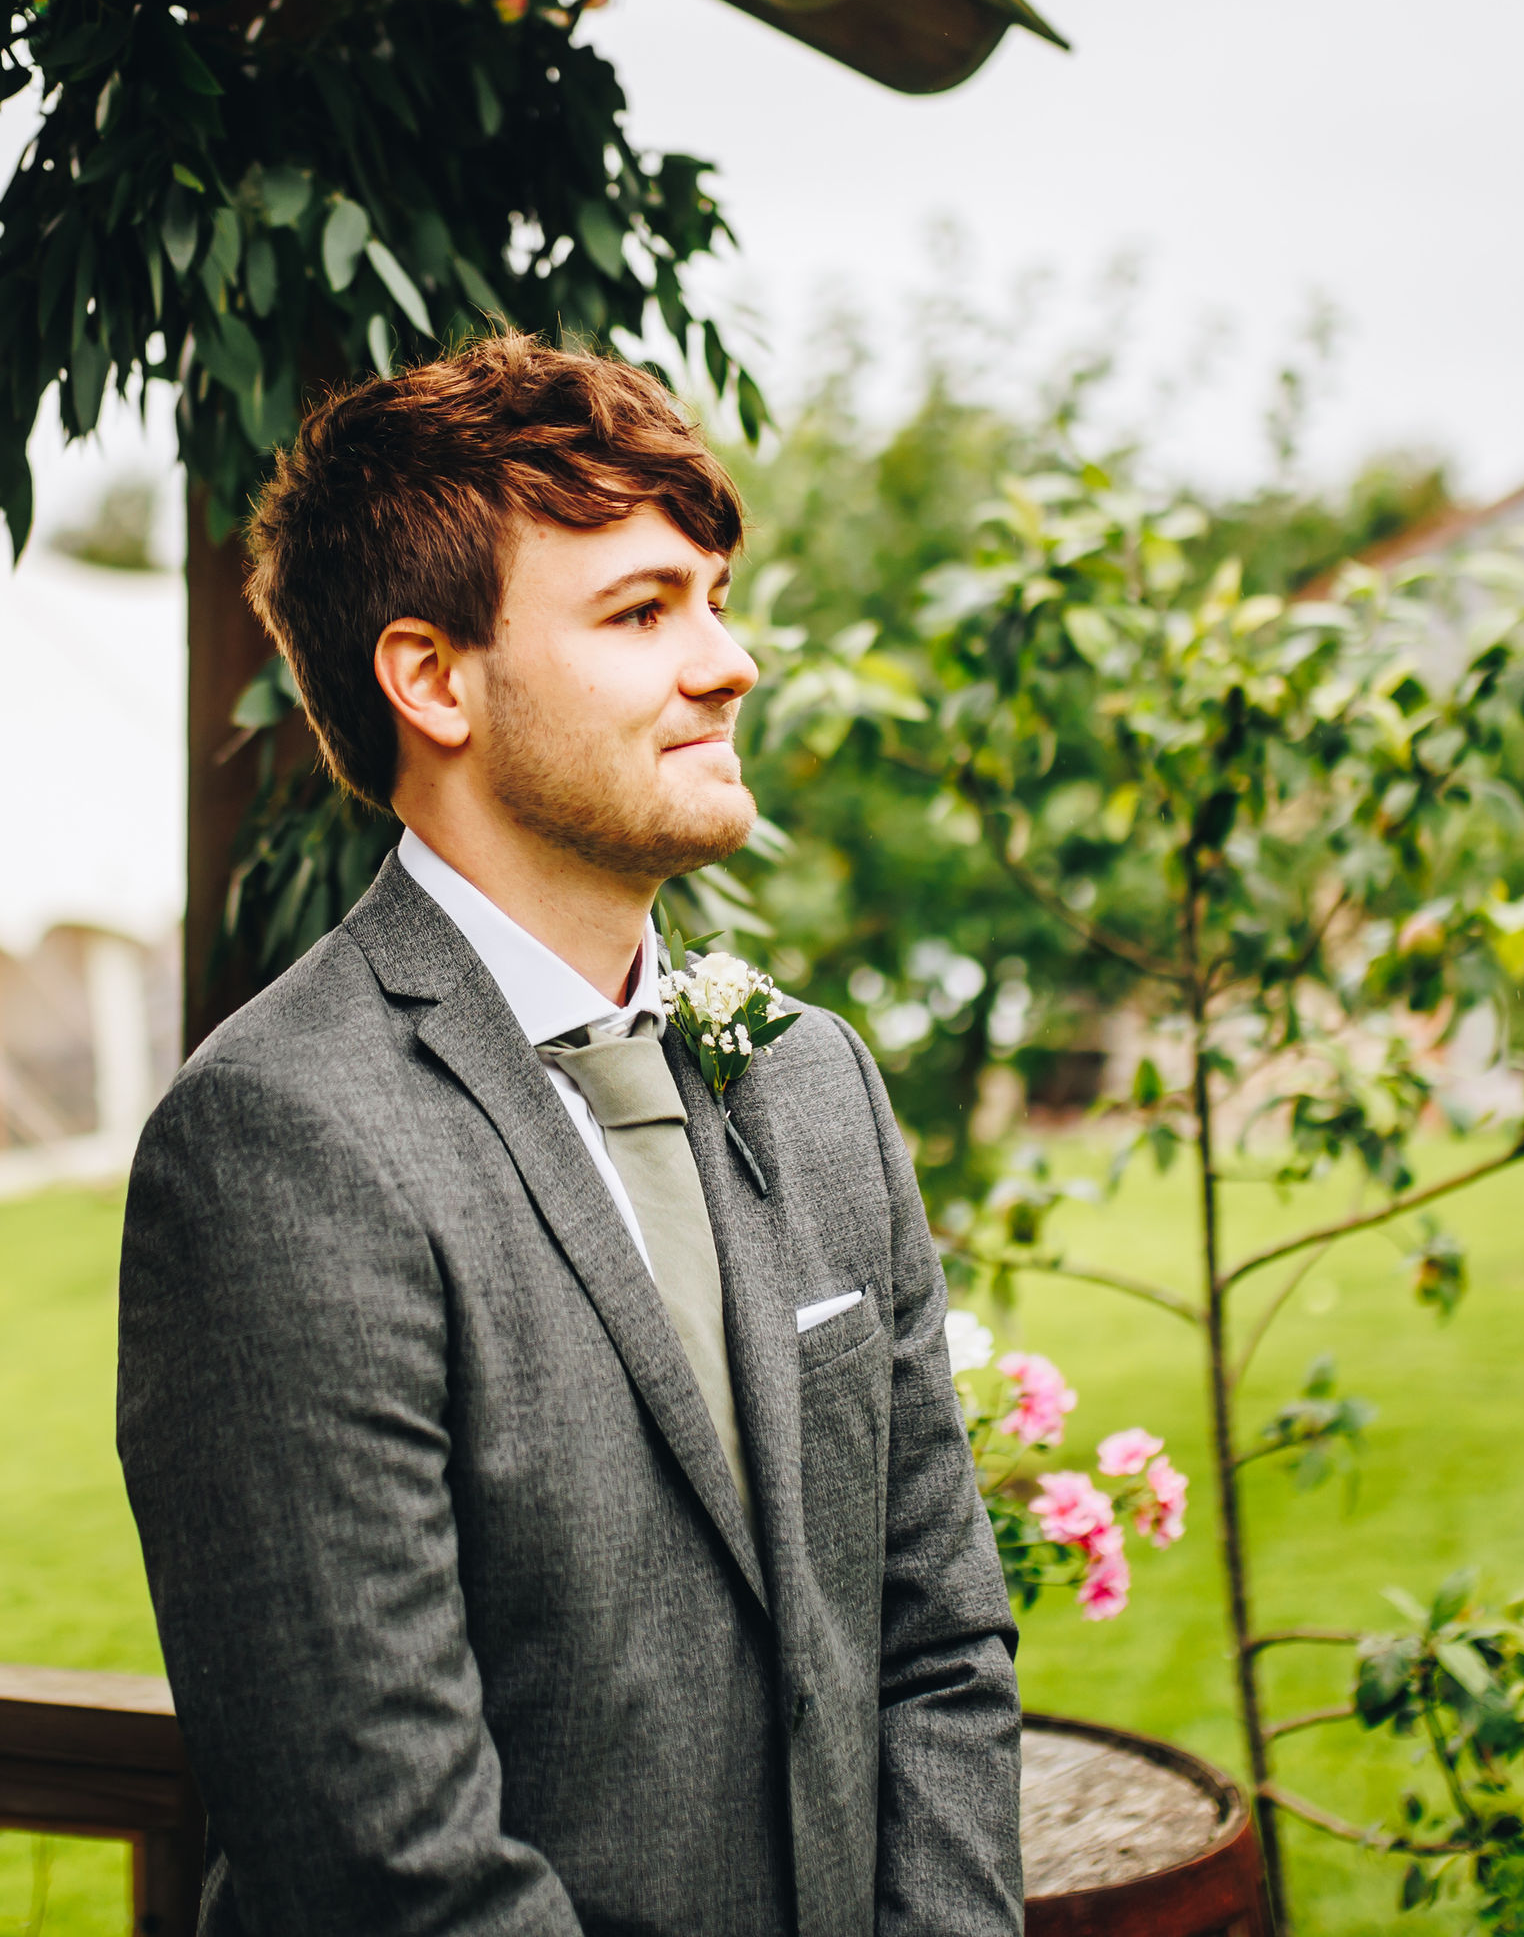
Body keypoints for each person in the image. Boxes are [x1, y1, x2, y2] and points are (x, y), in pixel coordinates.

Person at [116, 336, 1024, 1937]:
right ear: (433, 679)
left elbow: (939, 1642)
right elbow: (381, 1857)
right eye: (639, 612)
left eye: (714, 598)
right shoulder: (278, 1143)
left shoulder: (815, 1086)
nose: (728, 660)